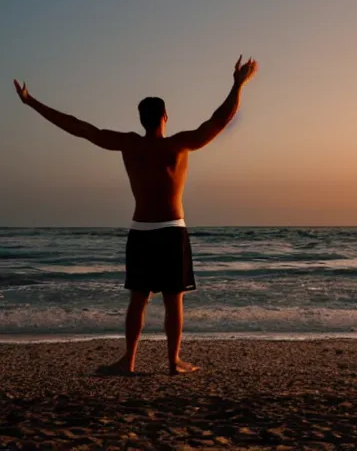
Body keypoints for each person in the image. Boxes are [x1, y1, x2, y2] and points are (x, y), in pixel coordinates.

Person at [13, 55, 258, 375]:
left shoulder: (129, 145)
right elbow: (219, 120)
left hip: (142, 230)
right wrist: (238, 84)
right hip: (171, 230)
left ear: (141, 118)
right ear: (165, 116)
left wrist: (32, 102)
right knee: (173, 300)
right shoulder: (179, 145)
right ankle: (172, 362)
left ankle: (129, 361)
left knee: (138, 299)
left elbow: (80, 128)